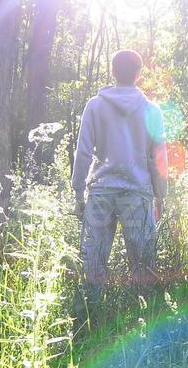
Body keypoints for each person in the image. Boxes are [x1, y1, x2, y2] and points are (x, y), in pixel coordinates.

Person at [72, 49, 168, 306]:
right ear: (138, 74)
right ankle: (141, 317)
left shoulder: (95, 106)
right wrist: (160, 195)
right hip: (137, 193)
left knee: (93, 264)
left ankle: (90, 318)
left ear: (112, 71)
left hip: (102, 191)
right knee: (143, 265)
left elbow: (83, 151)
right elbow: (159, 159)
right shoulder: (152, 111)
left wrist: (78, 191)